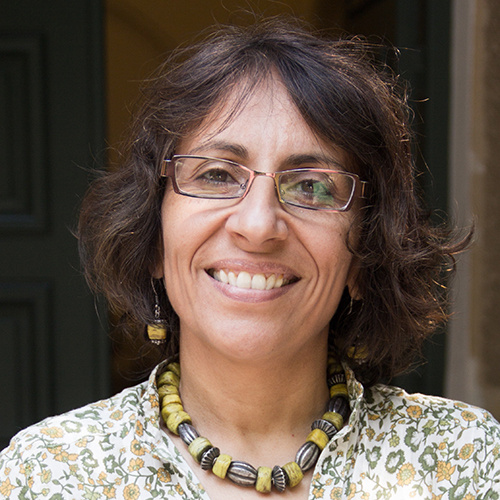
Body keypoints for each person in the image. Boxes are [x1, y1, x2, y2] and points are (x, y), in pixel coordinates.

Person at [1, 17, 499, 500]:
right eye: (217, 175)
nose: (258, 226)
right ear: (153, 238)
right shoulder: (51, 474)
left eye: (312, 187)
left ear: (366, 254)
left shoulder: (463, 462)